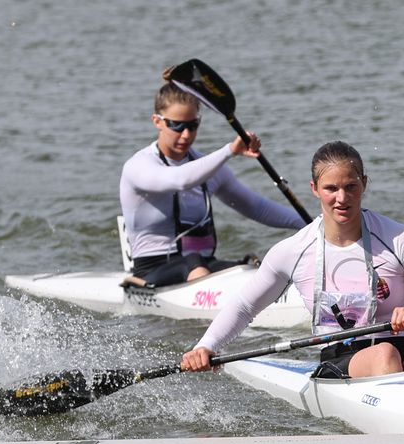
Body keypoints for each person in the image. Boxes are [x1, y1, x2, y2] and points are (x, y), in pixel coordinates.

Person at [182, 141, 404, 378]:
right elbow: (244, 307)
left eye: (351, 186)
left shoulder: (402, 240)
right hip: (341, 357)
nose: (342, 198)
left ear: (364, 183)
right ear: (314, 188)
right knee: (385, 354)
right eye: (331, 188)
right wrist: (206, 346)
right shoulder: (293, 251)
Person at [118, 68, 306, 288]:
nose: (186, 134)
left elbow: (257, 208)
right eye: (176, 125)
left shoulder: (207, 167)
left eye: (192, 125)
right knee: (193, 262)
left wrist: (311, 224)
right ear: (157, 121)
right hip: (152, 271)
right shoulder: (139, 166)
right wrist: (229, 151)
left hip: (203, 265)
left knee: (250, 270)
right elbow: (179, 180)